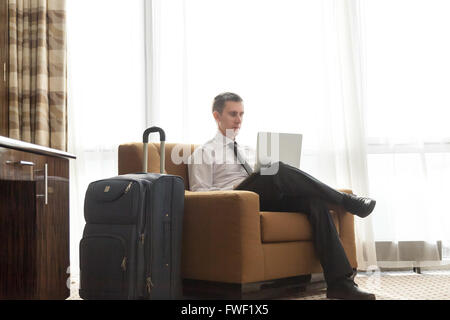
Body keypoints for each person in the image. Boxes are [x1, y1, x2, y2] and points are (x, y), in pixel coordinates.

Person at [187, 92, 376, 300]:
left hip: (262, 199)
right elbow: (199, 192)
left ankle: (341, 284)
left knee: (315, 202)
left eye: (242, 114)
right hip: (236, 201)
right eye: (233, 114)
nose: (239, 120)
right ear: (217, 116)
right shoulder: (203, 152)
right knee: (274, 169)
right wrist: (235, 190)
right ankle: (345, 201)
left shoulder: (249, 150)